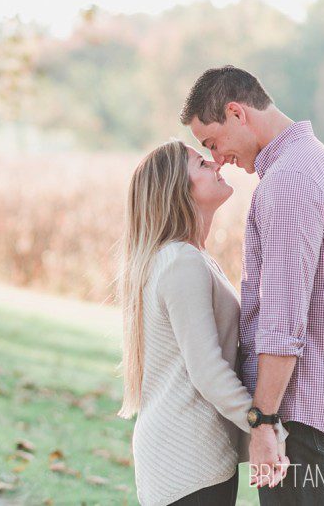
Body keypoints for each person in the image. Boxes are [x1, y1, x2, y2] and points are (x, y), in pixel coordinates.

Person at [180, 65, 324, 505]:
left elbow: (282, 320)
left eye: (212, 142)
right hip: (307, 411)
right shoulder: (310, 162)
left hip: (293, 415)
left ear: (236, 113)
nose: (218, 158)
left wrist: (263, 421)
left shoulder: (289, 182)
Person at [116, 139, 288, 506]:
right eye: (200, 163)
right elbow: (206, 368)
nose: (215, 163)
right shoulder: (181, 261)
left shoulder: (184, 257)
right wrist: (262, 424)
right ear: (179, 190)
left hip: (188, 450)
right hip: (186, 456)